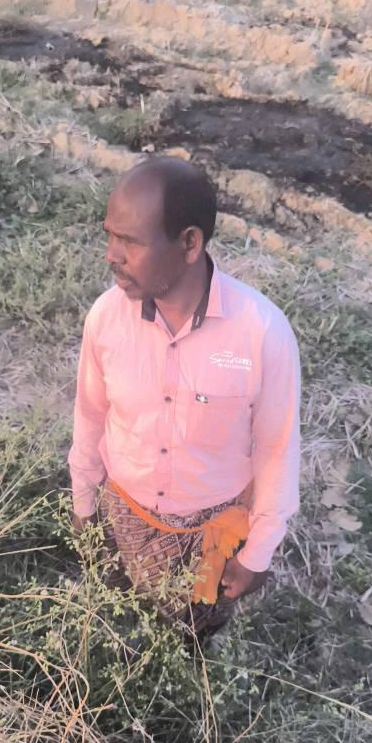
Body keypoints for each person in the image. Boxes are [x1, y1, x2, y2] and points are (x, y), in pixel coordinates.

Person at [67, 155, 301, 642]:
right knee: (121, 623)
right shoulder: (106, 318)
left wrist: (258, 552)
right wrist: (85, 506)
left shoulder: (262, 332)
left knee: (192, 637)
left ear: (190, 243)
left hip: (210, 537)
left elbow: (277, 449)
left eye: (130, 241)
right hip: (123, 518)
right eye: (110, 236)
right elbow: (90, 417)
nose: (111, 254)